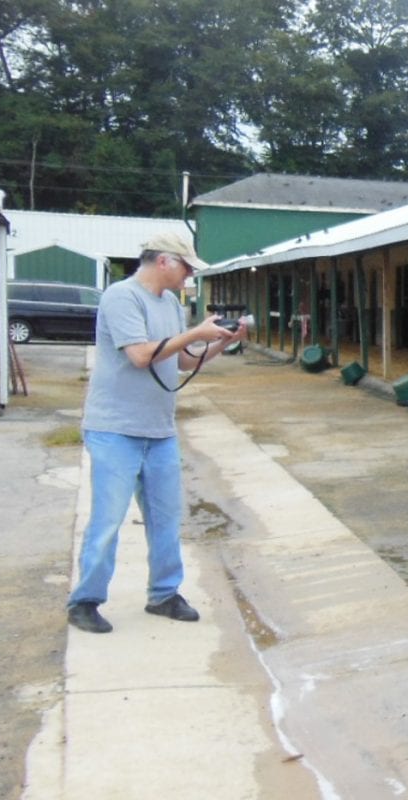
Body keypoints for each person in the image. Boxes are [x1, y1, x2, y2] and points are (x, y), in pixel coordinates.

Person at [66, 233, 248, 634]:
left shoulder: (170, 304)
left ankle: (164, 594)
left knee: (166, 518)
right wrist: (197, 333)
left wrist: (219, 343)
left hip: (159, 429)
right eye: (186, 268)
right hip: (115, 428)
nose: (189, 276)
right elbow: (141, 355)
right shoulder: (121, 297)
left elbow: (181, 361)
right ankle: (85, 600)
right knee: (108, 520)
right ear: (164, 261)